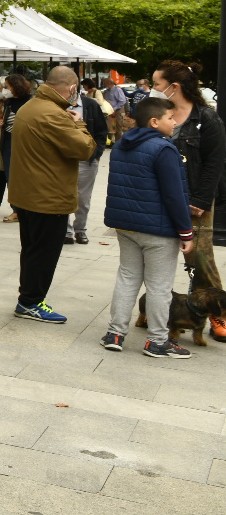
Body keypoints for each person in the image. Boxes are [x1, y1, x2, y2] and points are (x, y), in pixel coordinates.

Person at [101, 96, 196, 359]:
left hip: (126, 226)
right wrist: (186, 232)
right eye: (170, 118)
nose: (175, 122)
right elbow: (174, 195)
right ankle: (157, 341)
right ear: (154, 122)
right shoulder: (163, 149)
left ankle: (115, 334)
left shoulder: (121, 145)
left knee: (127, 277)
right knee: (159, 286)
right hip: (159, 230)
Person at [6, 66, 96, 324]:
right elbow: (85, 148)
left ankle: (28, 298)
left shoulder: (32, 107)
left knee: (32, 250)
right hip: (48, 197)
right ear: (70, 88)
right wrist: (79, 125)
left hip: (29, 194)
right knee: (44, 253)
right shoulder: (54, 114)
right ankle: (31, 301)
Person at [151, 61, 225, 340]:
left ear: (174, 87)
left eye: (157, 84)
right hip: (161, 197)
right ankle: (160, 311)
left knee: (201, 259)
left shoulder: (206, 118)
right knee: (159, 254)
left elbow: (215, 163)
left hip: (195, 199)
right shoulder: (159, 114)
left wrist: (202, 199)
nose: (154, 89)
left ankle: (216, 313)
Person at [0, 73, 33, 220]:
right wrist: (1, 124)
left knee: (15, 177)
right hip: (7, 140)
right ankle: (15, 209)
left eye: (7, 87)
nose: (4, 90)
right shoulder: (8, 102)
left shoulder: (28, 102)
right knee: (7, 175)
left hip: (21, 142)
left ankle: (19, 210)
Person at [69, 76, 111, 245]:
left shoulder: (90, 105)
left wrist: (96, 153)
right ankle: (66, 231)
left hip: (86, 159)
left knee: (83, 198)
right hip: (62, 159)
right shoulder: (55, 106)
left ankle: (80, 229)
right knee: (63, 195)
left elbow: (102, 131)